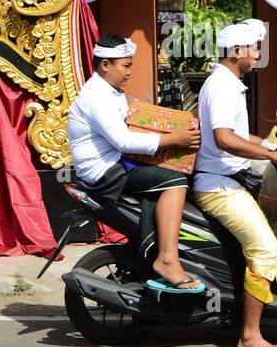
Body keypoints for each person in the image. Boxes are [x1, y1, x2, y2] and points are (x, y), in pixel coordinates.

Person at [192, 19, 277, 347]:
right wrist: (271, 155)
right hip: (219, 186)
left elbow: (237, 136)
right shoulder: (222, 87)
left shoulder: (227, 83)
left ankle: (238, 314)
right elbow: (225, 139)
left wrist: (273, 145)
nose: (257, 55)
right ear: (237, 51)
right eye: (254, 49)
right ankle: (249, 337)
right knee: (266, 249)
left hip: (228, 180)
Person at [68, 32, 204, 293]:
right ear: (105, 65)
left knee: (166, 175)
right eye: (126, 66)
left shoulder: (110, 91)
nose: (130, 72)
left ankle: (154, 245)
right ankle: (167, 259)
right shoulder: (96, 96)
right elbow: (124, 141)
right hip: (105, 173)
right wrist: (173, 139)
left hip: (116, 164)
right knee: (175, 180)